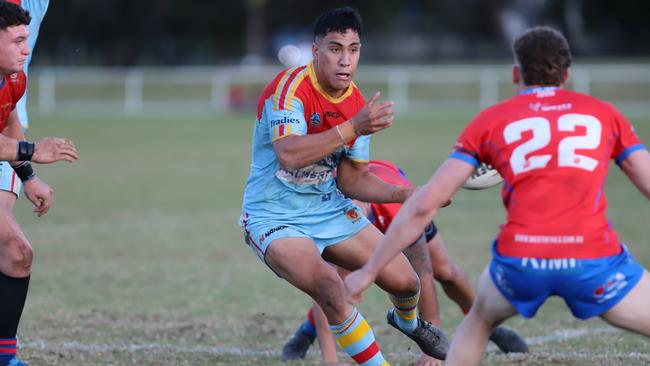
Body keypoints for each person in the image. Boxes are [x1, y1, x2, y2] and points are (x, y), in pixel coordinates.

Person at [344, 26, 650, 366]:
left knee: (476, 324)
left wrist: (370, 270)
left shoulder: (492, 120)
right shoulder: (604, 113)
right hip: (595, 260)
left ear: (516, 73)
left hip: (520, 263)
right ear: (567, 74)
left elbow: (425, 202)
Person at [239, 7, 448, 365]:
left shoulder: (354, 101)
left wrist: (405, 195)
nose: (345, 60)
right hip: (274, 216)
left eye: (353, 49)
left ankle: (407, 322)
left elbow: (352, 179)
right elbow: (289, 154)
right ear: (315, 50)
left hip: (329, 209)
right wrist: (354, 127)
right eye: (335, 48)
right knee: (330, 287)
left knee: (407, 282)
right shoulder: (288, 89)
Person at [281, 161, 527, 366]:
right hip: (349, 201)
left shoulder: (397, 212)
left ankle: (485, 325)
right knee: (335, 287)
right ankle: (306, 332)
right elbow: (325, 288)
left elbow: (423, 275)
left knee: (445, 271)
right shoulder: (328, 217)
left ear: (365, 205)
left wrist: (431, 348)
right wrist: (330, 359)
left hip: (401, 202)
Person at [0, 3, 78, 366]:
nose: (26, 50)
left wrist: (28, 176)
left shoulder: (13, 78)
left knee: (17, 253)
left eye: (27, 40)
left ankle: (6, 358)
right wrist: (33, 150)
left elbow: (7, 123)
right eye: (17, 40)